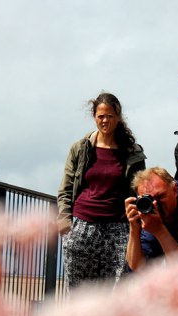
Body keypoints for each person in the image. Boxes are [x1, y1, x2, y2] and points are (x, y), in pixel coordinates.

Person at [57, 92, 146, 291]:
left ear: (118, 117)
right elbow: (66, 188)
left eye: (110, 116)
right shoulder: (80, 148)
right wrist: (65, 222)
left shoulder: (133, 153)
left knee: (115, 293)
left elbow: (140, 190)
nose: (105, 120)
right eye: (100, 116)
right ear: (94, 117)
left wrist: (137, 226)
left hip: (118, 230)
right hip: (82, 228)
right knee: (80, 295)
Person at [125, 167, 178, 271]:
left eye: (160, 196)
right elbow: (137, 268)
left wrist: (160, 231)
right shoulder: (150, 214)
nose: (155, 204)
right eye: (149, 200)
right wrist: (134, 229)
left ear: (175, 190)